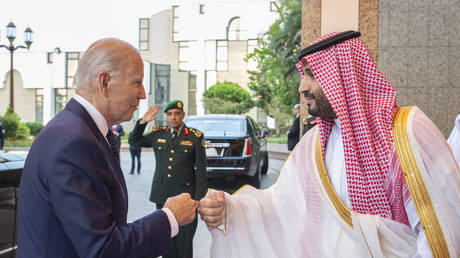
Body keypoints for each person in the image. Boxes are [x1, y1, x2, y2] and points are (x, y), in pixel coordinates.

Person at [198, 31, 460, 257]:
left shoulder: (406, 131)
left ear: (343, 74)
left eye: (312, 74)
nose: (302, 87)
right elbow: (281, 206)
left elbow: (441, 230)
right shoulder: (313, 144)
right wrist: (229, 210)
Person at [17, 38, 199, 258]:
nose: (142, 94)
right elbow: (102, 250)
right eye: (136, 82)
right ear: (104, 82)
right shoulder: (74, 142)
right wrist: (170, 217)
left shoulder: (77, 130)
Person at [129, 100, 207, 258]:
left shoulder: (194, 137)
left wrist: (198, 199)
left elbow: (201, 171)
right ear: (166, 116)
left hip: (186, 197)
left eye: (177, 114)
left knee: (184, 245)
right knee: (166, 242)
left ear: (183, 115)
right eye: (170, 114)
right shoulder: (159, 134)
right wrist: (143, 121)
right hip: (163, 196)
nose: (173, 117)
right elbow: (134, 140)